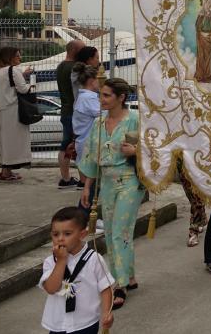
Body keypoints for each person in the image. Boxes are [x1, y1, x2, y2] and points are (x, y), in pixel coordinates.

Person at [78, 78, 144, 310]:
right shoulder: (98, 123)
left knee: (119, 231)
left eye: (106, 96)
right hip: (105, 181)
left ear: (121, 98)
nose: (101, 100)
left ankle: (120, 284)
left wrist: (136, 151)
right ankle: (131, 276)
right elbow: (90, 157)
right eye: (101, 95)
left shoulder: (136, 120)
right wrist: (87, 187)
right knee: (110, 232)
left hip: (129, 180)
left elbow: (156, 151)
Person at [40, 207, 114, 334]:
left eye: (67, 234)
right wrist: (61, 261)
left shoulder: (94, 259)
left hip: (86, 323)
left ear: (82, 234)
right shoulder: (50, 261)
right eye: (55, 234)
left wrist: (107, 312)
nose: (60, 239)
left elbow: (105, 287)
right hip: (58, 324)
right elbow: (51, 288)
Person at [0, 47, 33, 182]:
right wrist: (30, 83)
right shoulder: (13, 70)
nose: (19, 58)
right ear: (10, 57)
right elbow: (23, 89)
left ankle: (5, 170)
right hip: (13, 111)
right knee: (15, 142)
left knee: (3, 141)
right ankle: (7, 172)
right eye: (17, 56)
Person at [72, 66, 101, 220]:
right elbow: (104, 113)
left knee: (95, 185)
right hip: (89, 143)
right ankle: (85, 219)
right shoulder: (88, 98)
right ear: (91, 81)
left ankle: (90, 217)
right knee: (91, 185)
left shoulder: (86, 96)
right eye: (99, 79)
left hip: (87, 142)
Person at [56, 40, 85, 188]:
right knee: (77, 145)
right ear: (74, 50)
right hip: (74, 112)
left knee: (66, 143)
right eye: (82, 49)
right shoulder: (75, 68)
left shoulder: (60, 66)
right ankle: (81, 180)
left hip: (65, 110)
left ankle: (65, 178)